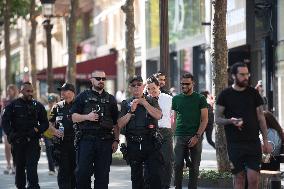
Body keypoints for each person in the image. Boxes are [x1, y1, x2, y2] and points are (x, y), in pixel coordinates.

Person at [215, 62, 271, 189]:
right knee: (239, 178)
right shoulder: (225, 95)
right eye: (242, 74)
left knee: (253, 179)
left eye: (247, 74)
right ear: (234, 76)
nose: (246, 77)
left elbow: (261, 118)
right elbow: (217, 119)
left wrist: (266, 141)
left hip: (253, 143)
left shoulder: (253, 93)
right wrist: (230, 121)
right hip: (234, 144)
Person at [71, 70, 119, 189]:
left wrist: (116, 140)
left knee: (102, 178)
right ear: (91, 80)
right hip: (86, 141)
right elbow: (73, 117)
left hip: (105, 141)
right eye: (98, 78)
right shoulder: (82, 96)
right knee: (82, 175)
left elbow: (116, 123)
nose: (101, 81)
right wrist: (87, 117)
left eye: (103, 79)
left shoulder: (111, 99)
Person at [118, 75, 163, 189]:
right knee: (136, 179)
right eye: (133, 85)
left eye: (139, 85)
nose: (136, 87)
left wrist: (144, 103)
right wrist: (130, 111)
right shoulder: (125, 103)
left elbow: (159, 115)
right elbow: (119, 124)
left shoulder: (151, 100)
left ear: (143, 86)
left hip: (150, 142)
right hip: (133, 144)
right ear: (130, 88)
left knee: (154, 177)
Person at [1, 82, 49, 189]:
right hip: (18, 142)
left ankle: (33, 186)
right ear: (21, 91)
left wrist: (37, 129)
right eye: (27, 91)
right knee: (19, 169)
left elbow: (45, 123)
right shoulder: (13, 105)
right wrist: (11, 134)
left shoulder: (38, 106)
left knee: (32, 168)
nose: (30, 93)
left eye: (32, 91)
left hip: (32, 141)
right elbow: (4, 121)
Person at [172, 72, 208, 189]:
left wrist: (197, 136)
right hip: (179, 135)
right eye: (182, 84)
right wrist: (172, 135)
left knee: (194, 166)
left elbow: (204, 120)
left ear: (193, 83)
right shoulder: (176, 98)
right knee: (177, 165)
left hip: (195, 136)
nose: (184, 86)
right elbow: (174, 118)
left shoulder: (200, 98)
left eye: (187, 84)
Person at [146, 76, 174, 189]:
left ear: (158, 86)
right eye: (148, 89)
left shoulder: (168, 98)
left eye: (153, 88)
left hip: (165, 131)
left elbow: (175, 115)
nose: (151, 91)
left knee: (167, 160)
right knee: (151, 162)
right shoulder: (146, 100)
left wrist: (173, 130)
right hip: (150, 131)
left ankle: (165, 185)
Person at [48, 83, 77, 189]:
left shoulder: (80, 105)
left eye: (64, 90)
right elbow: (49, 123)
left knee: (76, 173)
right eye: (61, 90)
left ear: (72, 92)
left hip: (76, 144)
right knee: (63, 173)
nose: (62, 92)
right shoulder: (57, 106)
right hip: (62, 145)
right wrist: (54, 131)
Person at [1, 84, 19, 175]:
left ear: (14, 90)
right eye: (7, 90)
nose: (8, 91)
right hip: (6, 126)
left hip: (15, 127)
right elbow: (2, 112)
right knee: (7, 146)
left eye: (10, 90)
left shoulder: (18, 100)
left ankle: (15, 166)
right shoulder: (5, 100)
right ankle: (8, 165)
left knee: (14, 146)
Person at [44, 93, 60, 176]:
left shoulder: (58, 111)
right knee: (49, 152)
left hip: (56, 134)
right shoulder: (46, 111)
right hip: (47, 135)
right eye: (49, 102)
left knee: (56, 151)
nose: (50, 103)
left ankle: (57, 165)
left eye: (52, 101)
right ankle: (51, 169)